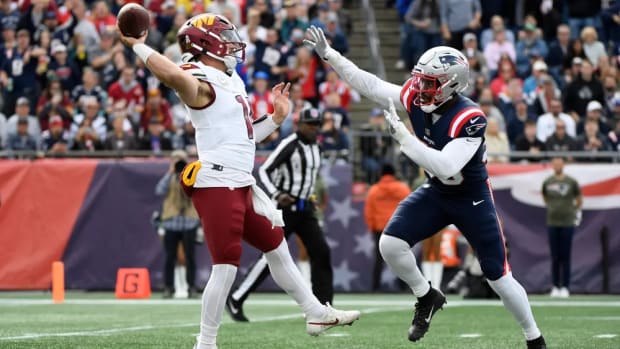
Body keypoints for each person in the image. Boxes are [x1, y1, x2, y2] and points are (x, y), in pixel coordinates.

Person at [117, 14, 359, 349]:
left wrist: (275, 118)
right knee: (226, 265)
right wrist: (139, 46)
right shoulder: (196, 76)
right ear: (205, 44)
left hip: (240, 182)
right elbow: (172, 75)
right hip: (218, 182)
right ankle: (206, 342)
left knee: (276, 247)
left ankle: (315, 311)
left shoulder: (231, 80)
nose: (231, 41)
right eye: (223, 36)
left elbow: (246, 136)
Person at [305, 26, 546, 348]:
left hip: (470, 197)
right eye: (419, 79)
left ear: (452, 84)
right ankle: (427, 295)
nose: (419, 88)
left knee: (498, 276)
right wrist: (330, 55)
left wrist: (404, 138)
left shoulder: (470, 116)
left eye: (428, 83)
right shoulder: (417, 98)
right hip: (437, 192)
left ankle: (534, 338)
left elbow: (446, 165)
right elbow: (372, 86)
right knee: (390, 245)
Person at [226, 108, 334, 322]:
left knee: (321, 252)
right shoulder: (290, 144)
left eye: (316, 125)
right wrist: (277, 193)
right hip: (285, 209)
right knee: (271, 256)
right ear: (299, 125)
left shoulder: (317, 148)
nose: (313, 128)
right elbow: (265, 170)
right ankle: (236, 297)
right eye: (309, 124)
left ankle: (323, 307)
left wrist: (310, 196)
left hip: (306, 209)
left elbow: (309, 177)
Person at [155, 150, 201, 299]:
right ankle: (169, 287)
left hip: (189, 220)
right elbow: (159, 190)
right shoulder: (169, 177)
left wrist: (187, 173)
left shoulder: (192, 176)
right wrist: (170, 173)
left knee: (191, 256)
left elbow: (199, 191)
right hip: (171, 221)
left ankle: (191, 287)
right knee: (170, 256)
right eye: (176, 161)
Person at [364, 163, 411, 292]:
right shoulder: (403, 189)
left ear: (381, 174)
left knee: (379, 259)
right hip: (398, 227)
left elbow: (368, 212)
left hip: (379, 229)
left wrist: (372, 227)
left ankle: (375, 287)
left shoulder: (374, 190)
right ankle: (403, 286)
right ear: (394, 174)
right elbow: (410, 208)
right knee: (401, 257)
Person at [542, 157, 582, 298]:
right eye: (555, 163)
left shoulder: (571, 181)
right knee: (555, 256)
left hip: (567, 223)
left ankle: (565, 286)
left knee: (565, 255)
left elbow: (579, 198)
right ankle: (555, 286)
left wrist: (572, 211)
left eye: (560, 163)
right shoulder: (548, 182)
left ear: (563, 165)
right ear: (552, 165)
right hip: (552, 222)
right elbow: (545, 197)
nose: (557, 165)